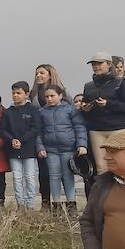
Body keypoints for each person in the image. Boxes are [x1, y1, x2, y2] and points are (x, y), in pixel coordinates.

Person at [77, 53, 125, 173]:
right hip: (97, 129)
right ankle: (108, 192)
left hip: (119, 128)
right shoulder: (88, 86)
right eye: (94, 64)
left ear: (109, 64)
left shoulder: (121, 83)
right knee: (102, 167)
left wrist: (108, 104)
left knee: (122, 165)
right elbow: (86, 109)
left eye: (100, 63)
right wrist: (85, 109)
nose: (96, 66)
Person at [37, 85, 89, 214]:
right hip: (50, 150)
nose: (49, 99)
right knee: (54, 176)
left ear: (60, 96)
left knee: (68, 176)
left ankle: (71, 205)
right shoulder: (42, 112)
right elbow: (38, 132)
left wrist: (81, 145)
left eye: (52, 96)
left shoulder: (70, 110)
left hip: (68, 149)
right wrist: (40, 147)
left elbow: (79, 127)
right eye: (47, 96)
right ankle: (56, 205)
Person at [0, 82, 42, 210]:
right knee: (17, 177)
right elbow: (2, 130)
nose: (15, 95)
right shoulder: (8, 112)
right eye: (13, 93)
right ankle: (20, 203)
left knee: (30, 177)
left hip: (28, 149)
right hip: (13, 150)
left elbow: (35, 128)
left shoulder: (33, 110)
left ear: (26, 94)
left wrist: (22, 140)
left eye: (18, 93)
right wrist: (12, 140)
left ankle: (29, 204)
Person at [31, 66, 66, 208]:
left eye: (42, 73)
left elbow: (68, 111)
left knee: (62, 172)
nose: (38, 76)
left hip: (60, 137)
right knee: (44, 173)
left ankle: (66, 203)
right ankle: (46, 203)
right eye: (36, 73)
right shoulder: (33, 94)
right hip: (40, 136)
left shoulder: (61, 92)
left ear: (50, 75)